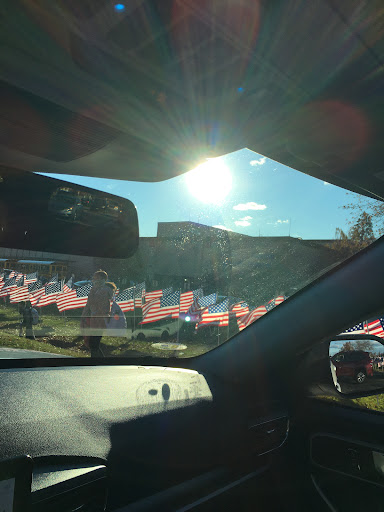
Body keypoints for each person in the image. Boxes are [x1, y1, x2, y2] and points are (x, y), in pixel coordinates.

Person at [81, 270, 113, 357]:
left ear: (103, 279)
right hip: (93, 318)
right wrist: (83, 315)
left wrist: (94, 292)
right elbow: (89, 304)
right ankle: (100, 360)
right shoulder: (94, 289)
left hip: (101, 318)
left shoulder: (106, 290)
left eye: (97, 278)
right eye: (94, 278)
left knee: (94, 342)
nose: (95, 280)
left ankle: (96, 361)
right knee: (92, 343)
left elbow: (98, 301)